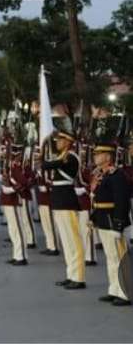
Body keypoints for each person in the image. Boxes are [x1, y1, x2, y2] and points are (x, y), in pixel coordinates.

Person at [42, 130, 86, 290]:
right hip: (60, 202)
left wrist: (43, 144)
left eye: (60, 140)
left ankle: (79, 277)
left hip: (67, 201)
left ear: (68, 142)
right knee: (66, 242)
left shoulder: (71, 157)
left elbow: (46, 165)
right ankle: (71, 275)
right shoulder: (62, 156)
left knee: (73, 241)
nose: (57, 143)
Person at [90, 142, 130, 306]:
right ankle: (114, 289)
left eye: (99, 154)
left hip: (113, 220)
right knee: (111, 257)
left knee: (120, 258)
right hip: (103, 219)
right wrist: (93, 218)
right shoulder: (102, 174)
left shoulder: (117, 175)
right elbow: (98, 199)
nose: (96, 156)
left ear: (108, 156)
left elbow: (121, 201)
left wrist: (118, 225)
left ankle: (125, 293)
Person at [0, 144, 29, 265]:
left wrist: (12, 189)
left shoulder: (15, 168)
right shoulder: (9, 168)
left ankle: (21, 256)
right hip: (7, 200)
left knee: (17, 229)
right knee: (12, 229)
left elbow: (24, 183)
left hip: (13, 200)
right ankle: (16, 254)